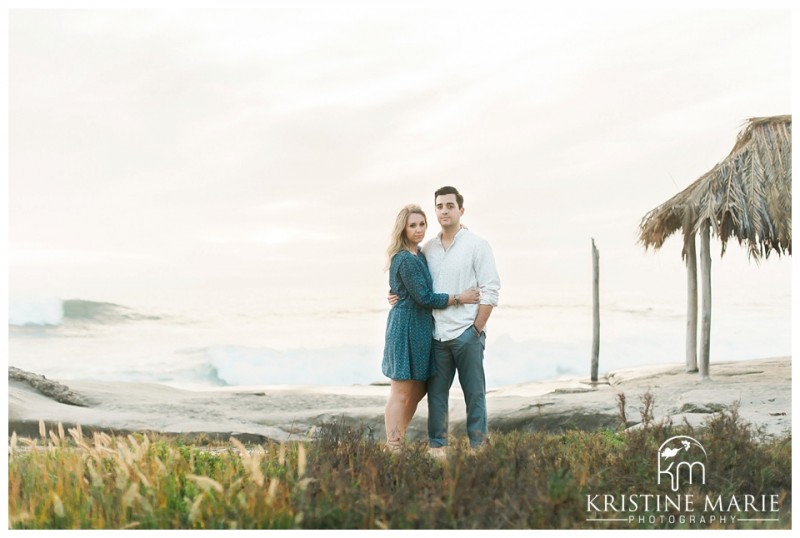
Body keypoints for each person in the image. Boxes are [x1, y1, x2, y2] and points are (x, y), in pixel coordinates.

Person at [391, 186, 500, 453]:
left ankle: (478, 446)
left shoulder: (477, 245)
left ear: (460, 210)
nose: (444, 211)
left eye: (450, 206)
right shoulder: (428, 249)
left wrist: (477, 328)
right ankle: (437, 448)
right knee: (436, 397)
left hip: (466, 333)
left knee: (474, 394)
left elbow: (491, 288)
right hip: (437, 335)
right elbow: (418, 288)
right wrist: (396, 295)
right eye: (439, 206)